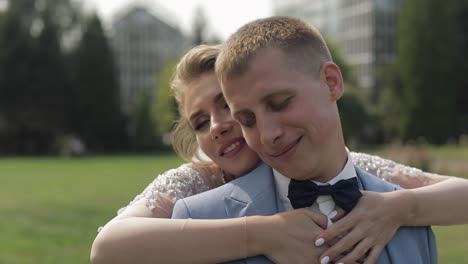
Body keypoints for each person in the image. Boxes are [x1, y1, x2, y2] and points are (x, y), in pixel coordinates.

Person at [92, 44, 467, 264]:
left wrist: (398, 208)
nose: (218, 125)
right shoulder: (195, 183)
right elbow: (107, 247)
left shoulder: (346, 167)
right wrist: (261, 234)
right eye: (200, 122)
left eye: (226, 106)